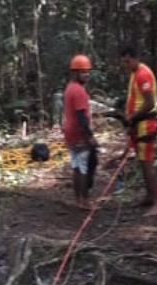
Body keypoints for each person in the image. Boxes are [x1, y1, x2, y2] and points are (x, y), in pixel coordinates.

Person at [119, 44, 157, 215]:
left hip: (146, 124)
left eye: (128, 61)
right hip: (138, 124)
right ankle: (150, 195)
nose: (126, 65)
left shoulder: (143, 75)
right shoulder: (135, 74)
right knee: (142, 162)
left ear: (135, 58)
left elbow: (149, 102)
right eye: (124, 62)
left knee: (148, 163)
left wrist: (132, 116)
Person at [62, 54, 98, 211]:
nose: (86, 75)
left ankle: (78, 199)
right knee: (84, 168)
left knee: (76, 166)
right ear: (75, 72)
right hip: (79, 134)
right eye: (83, 72)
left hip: (70, 133)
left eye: (88, 71)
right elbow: (81, 116)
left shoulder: (70, 87)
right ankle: (85, 200)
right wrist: (90, 136)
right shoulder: (79, 91)